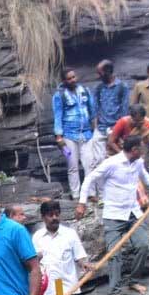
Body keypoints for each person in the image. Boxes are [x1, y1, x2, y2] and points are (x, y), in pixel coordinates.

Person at [77, 135, 149, 295]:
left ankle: (133, 280)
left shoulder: (137, 162)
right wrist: (82, 202)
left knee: (142, 245)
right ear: (134, 150)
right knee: (114, 254)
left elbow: (145, 176)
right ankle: (116, 293)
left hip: (133, 212)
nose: (143, 151)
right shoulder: (112, 163)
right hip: (113, 215)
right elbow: (90, 178)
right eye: (141, 148)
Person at [52, 68, 97, 200]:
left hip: (86, 134)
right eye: (69, 78)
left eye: (74, 77)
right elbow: (58, 116)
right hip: (69, 135)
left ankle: (91, 193)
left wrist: (94, 129)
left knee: (89, 164)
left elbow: (92, 110)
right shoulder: (59, 95)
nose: (73, 80)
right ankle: (76, 194)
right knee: (73, 166)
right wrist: (59, 136)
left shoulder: (85, 91)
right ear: (64, 81)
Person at [90, 60, 131, 171]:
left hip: (116, 128)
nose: (98, 76)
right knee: (98, 160)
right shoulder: (99, 88)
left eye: (100, 73)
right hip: (101, 128)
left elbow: (125, 109)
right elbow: (96, 108)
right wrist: (95, 126)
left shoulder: (122, 87)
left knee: (116, 159)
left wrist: (119, 128)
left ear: (108, 71)